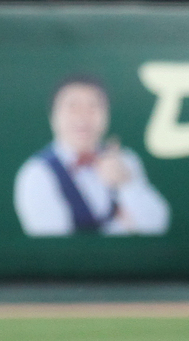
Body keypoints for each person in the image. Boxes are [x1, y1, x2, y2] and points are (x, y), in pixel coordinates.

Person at [13, 75, 170, 237]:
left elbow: (156, 225)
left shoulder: (124, 159)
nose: (83, 117)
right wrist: (121, 226)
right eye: (73, 107)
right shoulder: (37, 172)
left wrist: (126, 184)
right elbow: (53, 240)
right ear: (54, 116)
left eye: (93, 107)